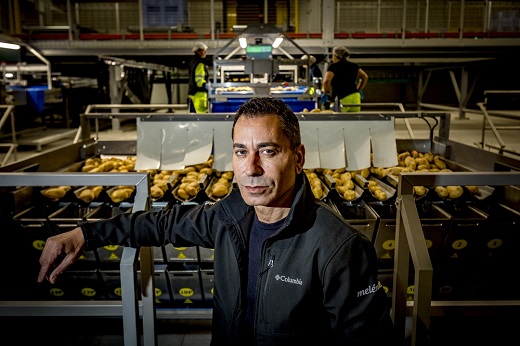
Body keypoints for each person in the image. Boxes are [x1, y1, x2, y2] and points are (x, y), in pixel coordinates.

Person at [38, 97, 395, 345]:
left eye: (268, 151)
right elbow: (161, 224)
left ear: (298, 157)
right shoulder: (229, 218)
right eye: (241, 152)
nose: (251, 169)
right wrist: (85, 234)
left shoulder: (338, 248)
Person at [322, 46, 368, 112]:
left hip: (342, 98)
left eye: (332, 55)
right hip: (355, 97)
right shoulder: (354, 66)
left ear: (335, 55)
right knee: (354, 120)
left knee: (339, 120)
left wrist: (325, 93)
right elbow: (365, 77)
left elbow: (326, 81)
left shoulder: (333, 66)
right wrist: (359, 89)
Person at [188, 41, 209, 113]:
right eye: (204, 51)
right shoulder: (200, 63)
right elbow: (199, 80)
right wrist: (206, 85)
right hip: (199, 94)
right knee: (202, 116)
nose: (205, 53)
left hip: (193, 93)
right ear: (199, 51)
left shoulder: (193, 61)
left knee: (195, 115)